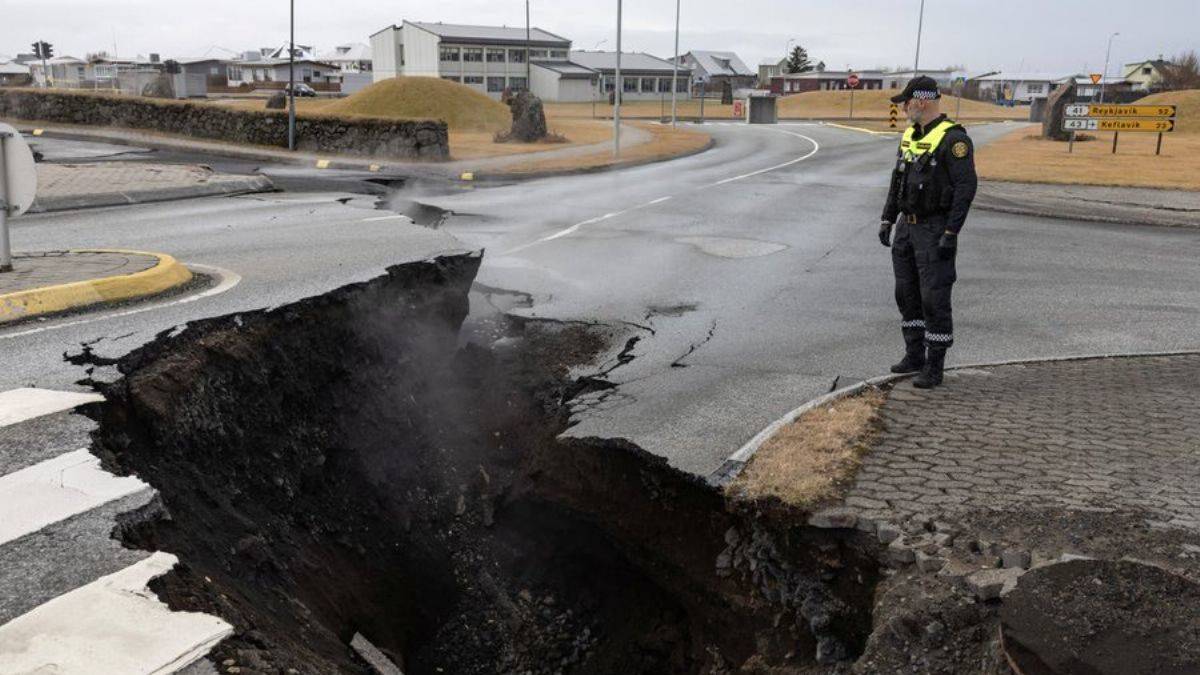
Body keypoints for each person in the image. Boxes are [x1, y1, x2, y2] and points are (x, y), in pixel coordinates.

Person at [878, 76, 978, 389]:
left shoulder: (954, 139)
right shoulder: (910, 135)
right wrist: (887, 218)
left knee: (933, 298)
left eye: (906, 102)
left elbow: (966, 187)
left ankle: (934, 366)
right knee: (906, 295)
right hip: (907, 228)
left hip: (935, 229)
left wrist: (952, 231)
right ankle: (913, 355)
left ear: (921, 101)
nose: (904, 108)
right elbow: (898, 180)